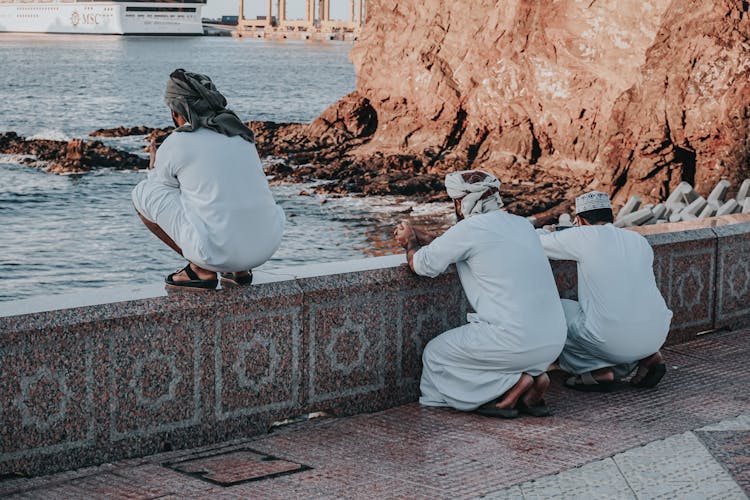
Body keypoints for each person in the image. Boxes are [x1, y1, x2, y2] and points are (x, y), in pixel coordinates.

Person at [394, 170, 567, 418]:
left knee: (436, 354)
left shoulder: (470, 229)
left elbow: (422, 265)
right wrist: (421, 234)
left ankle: (505, 391)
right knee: (493, 353)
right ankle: (530, 382)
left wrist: (410, 242)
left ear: (460, 202)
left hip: (514, 342)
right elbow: (463, 244)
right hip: (553, 343)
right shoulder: (522, 225)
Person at [132, 69, 285, 290]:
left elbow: (161, 188)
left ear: (177, 112)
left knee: (143, 192)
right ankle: (238, 270)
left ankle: (201, 269)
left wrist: (154, 168)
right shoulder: (241, 135)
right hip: (267, 246)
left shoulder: (179, 140)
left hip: (217, 252)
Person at [537, 191, 672, 391]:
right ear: (611, 217)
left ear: (580, 220)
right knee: (613, 319)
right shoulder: (638, 240)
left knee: (556, 311)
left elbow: (535, 242)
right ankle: (649, 357)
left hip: (612, 338)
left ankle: (596, 370)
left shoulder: (582, 235)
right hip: (657, 334)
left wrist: (548, 230)